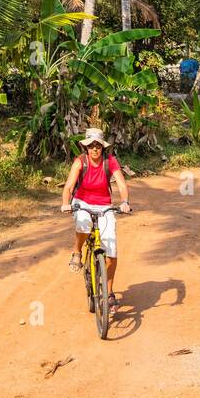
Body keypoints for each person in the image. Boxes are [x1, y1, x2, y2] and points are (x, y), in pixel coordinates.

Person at [61, 127, 130, 316]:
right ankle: (77, 252)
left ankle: (108, 293)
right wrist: (66, 203)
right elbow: (68, 186)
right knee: (83, 222)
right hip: (82, 202)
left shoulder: (111, 162)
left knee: (112, 252)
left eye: (98, 145)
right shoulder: (80, 162)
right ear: (86, 148)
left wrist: (124, 202)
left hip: (104, 205)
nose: (94, 149)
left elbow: (122, 184)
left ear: (102, 147)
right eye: (91, 146)